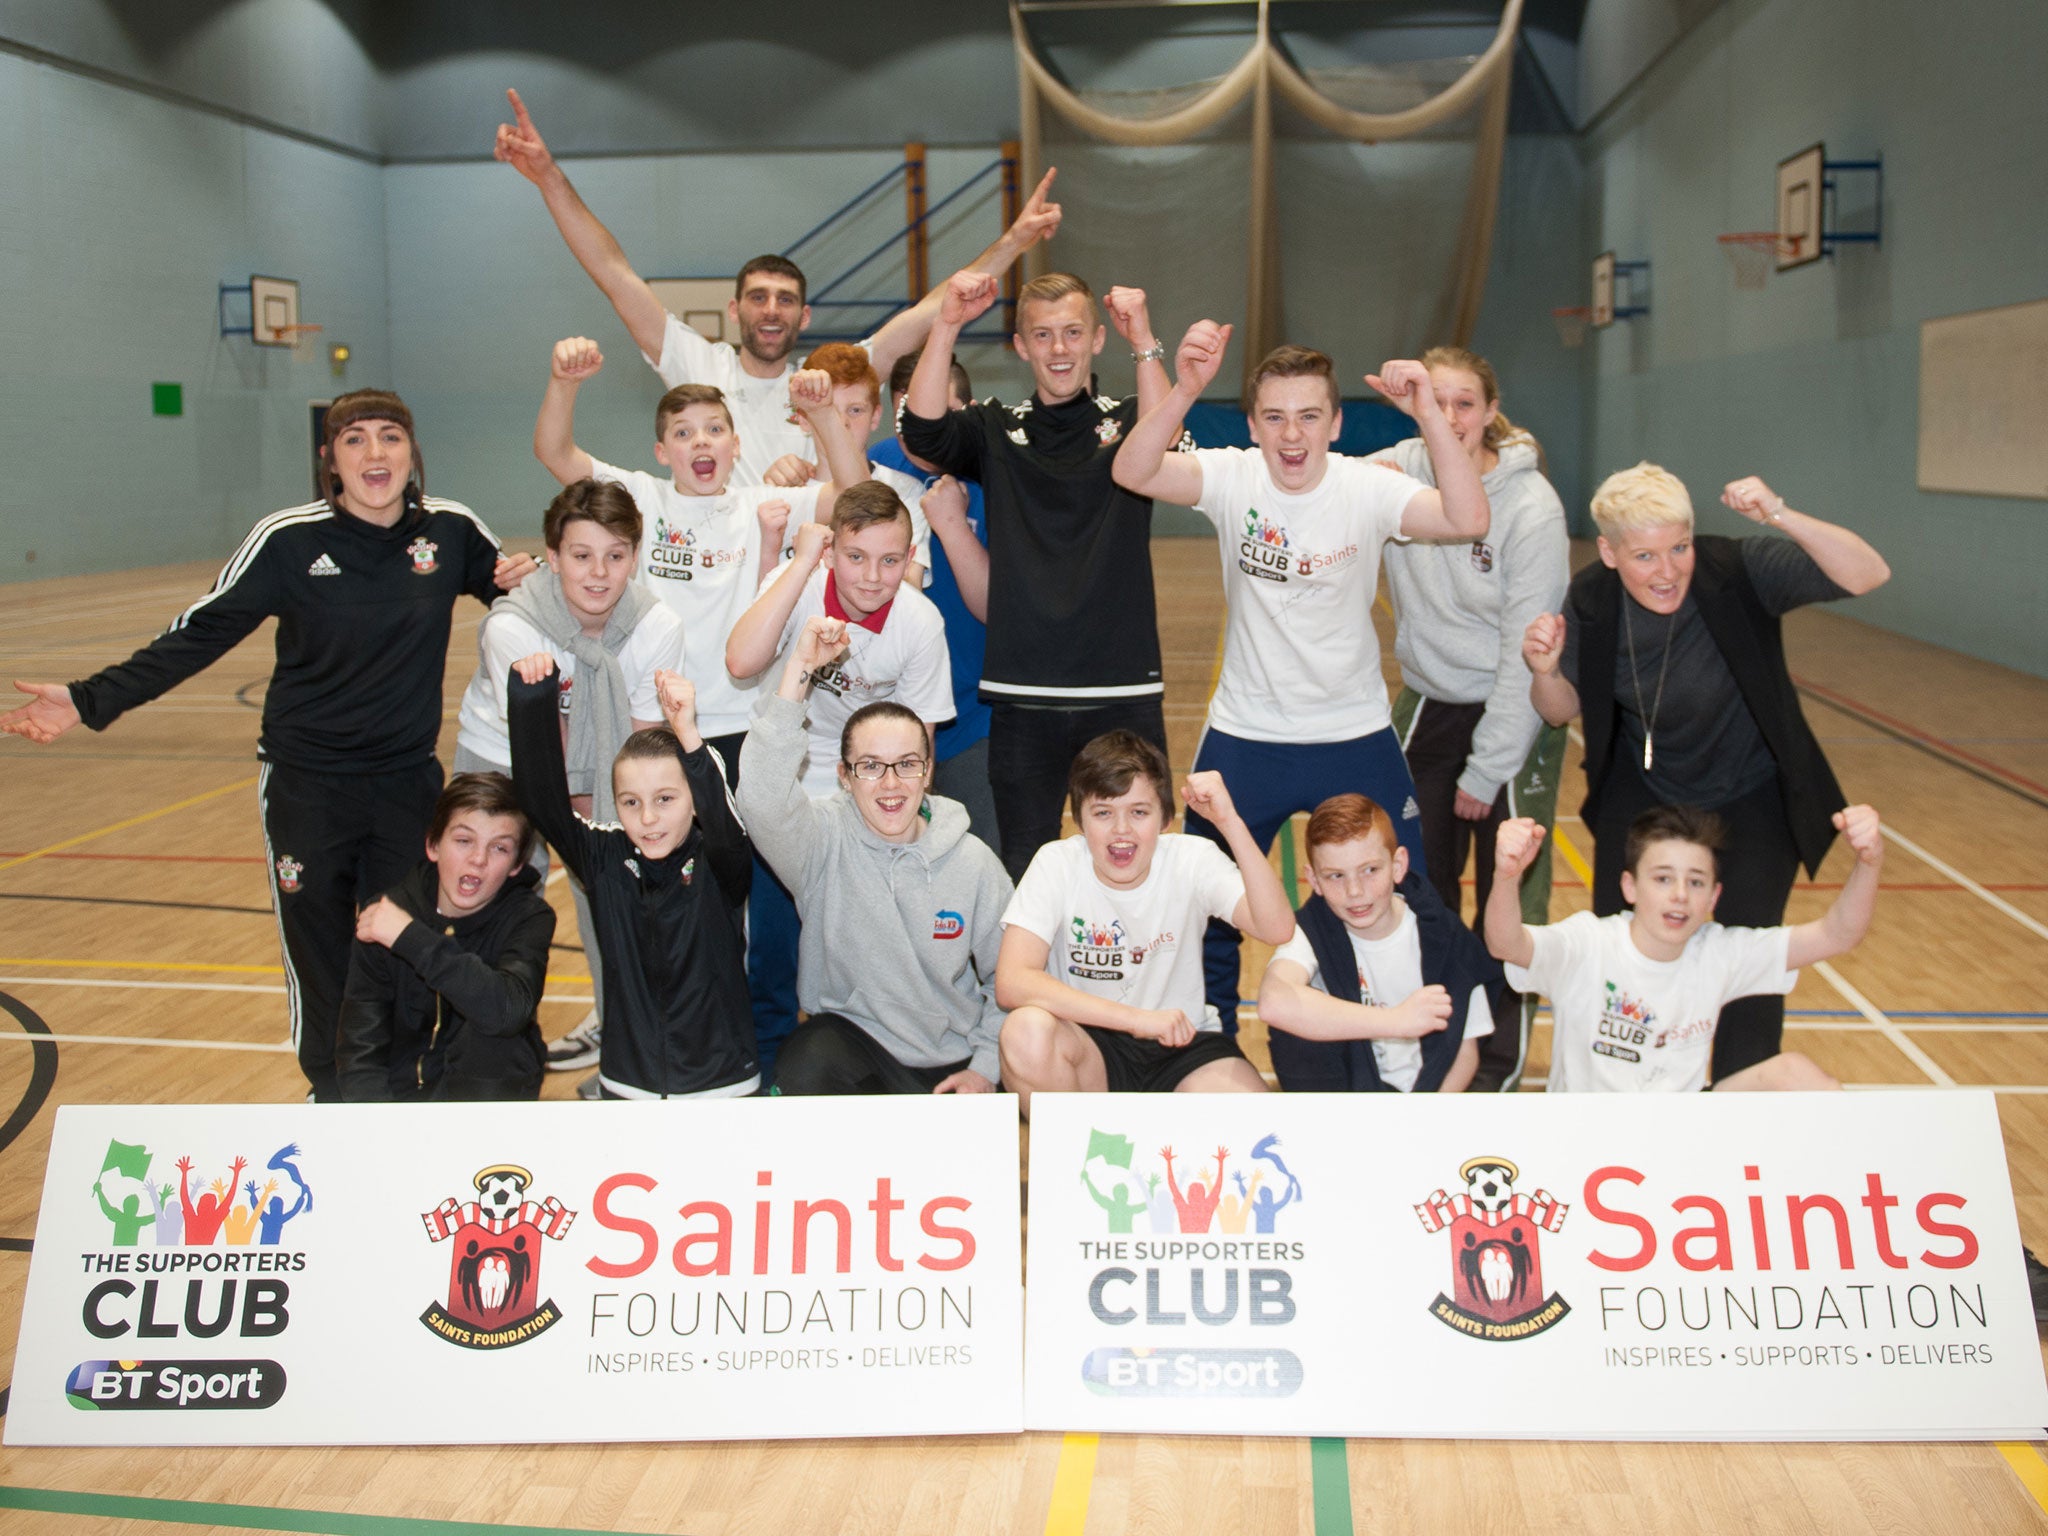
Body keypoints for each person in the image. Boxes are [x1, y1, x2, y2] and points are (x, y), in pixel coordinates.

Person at [1, 391, 533, 1102]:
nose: (375, 454)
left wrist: (526, 582)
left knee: (405, 938)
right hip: (306, 784)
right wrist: (87, 700)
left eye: (390, 437)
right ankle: (329, 1087)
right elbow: (199, 633)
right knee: (318, 949)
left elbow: (518, 601)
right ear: (329, 460)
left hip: (406, 782)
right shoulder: (287, 539)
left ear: (412, 453)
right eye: (355, 440)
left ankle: (398, 1089)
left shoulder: (451, 530)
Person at [1110, 325, 1489, 1034]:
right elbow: (1133, 471)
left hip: (1354, 736)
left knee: (1413, 889)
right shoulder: (1232, 476)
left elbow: (1469, 516)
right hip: (1245, 738)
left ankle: (1429, 1030)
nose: (1292, 434)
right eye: (1275, 417)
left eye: (1310, 415)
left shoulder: (1369, 489)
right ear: (1253, 425)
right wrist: (1187, 387)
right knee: (1205, 903)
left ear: (1336, 423)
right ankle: (1211, 1036)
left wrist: (1429, 412)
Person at [537, 344, 867, 1078]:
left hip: (744, 731)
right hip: (654, 736)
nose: (700, 444)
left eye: (714, 429)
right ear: (662, 449)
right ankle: (641, 1044)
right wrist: (565, 382)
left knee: (750, 902)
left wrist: (820, 418)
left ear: (737, 443)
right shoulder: (642, 501)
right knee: (651, 901)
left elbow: (856, 493)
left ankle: (750, 1047)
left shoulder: (756, 507)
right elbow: (555, 452)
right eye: (683, 432)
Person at [492, 87, 1062, 485]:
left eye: (786, 300)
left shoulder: (831, 378)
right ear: (734, 309)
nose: (772, 310)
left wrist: (1012, 241)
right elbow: (612, 272)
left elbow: (935, 309)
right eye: (759, 297)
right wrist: (549, 177)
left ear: (804, 317)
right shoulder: (699, 366)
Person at [1523, 464, 1891, 1078]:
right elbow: (1561, 712)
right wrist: (1544, 670)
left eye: (1679, 548)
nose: (1667, 571)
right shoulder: (1590, 599)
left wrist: (1779, 512)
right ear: (1609, 552)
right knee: (1626, 956)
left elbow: (1867, 572)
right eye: (1644, 555)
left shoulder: (1738, 571)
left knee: (1751, 963)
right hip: (1644, 797)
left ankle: (1741, 1114)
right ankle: (1622, 1095)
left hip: (1753, 794)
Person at [901, 270, 1177, 879]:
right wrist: (946, 322)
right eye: (1043, 335)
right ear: (1021, 346)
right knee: (1025, 869)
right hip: (1025, 695)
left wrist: (1145, 339)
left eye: (1073, 332)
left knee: (1138, 865)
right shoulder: (997, 428)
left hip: (1120, 688)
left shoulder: (1129, 418)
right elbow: (921, 430)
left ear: (1097, 339)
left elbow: (1166, 445)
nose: (1059, 349)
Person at [1378, 344, 1570, 1091]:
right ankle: (1426, 1046)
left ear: (1491, 412)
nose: (1450, 418)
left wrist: (1489, 767)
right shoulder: (1391, 475)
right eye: (1435, 400)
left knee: (1507, 895)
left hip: (1512, 713)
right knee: (1413, 886)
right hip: (1426, 707)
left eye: (1465, 404)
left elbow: (1527, 646)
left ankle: (1497, 1068)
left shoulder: (1531, 507)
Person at [451, 476, 685, 1077]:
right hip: (503, 765)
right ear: (552, 558)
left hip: (606, 767)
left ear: (636, 556)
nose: (599, 574)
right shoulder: (514, 629)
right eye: (581, 556)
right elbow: (544, 764)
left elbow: (636, 749)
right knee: (491, 901)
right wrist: (583, 830)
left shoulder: (656, 627)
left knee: (617, 900)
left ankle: (622, 1041)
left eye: (615, 556)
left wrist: (610, 840)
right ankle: (483, 1057)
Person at [726, 483, 954, 1072]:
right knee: (774, 940)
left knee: (863, 942)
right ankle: (769, 1069)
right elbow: (741, 663)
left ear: (909, 559)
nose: (872, 577)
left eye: (890, 560)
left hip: (865, 784)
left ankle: (870, 1057)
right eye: (855, 557)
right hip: (789, 773)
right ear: (831, 553)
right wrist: (798, 564)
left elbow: (916, 744)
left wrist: (901, 820)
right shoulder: (799, 584)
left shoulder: (919, 622)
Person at [736, 616, 1012, 1096]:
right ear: (844, 776)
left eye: (907, 765)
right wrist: (799, 666)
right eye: (870, 767)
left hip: (951, 1061)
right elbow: (760, 797)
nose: (890, 783)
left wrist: (985, 1069)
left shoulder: (972, 862)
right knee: (803, 1063)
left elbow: (1010, 980)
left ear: (928, 773)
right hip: (852, 1051)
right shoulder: (820, 844)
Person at [1485, 804, 1884, 1092]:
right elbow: (1506, 943)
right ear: (1629, 887)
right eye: (1662, 879)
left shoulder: (1718, 952)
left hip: (1681, 1135)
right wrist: (1506, 876)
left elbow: (1837, 934)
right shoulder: (1590, 943)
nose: (1679, 896)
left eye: (1695, 883)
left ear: (1714, 897)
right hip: (1589, 1138)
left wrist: (1869, 862)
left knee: (1794, 1074)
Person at [995, 732, 1294, 1110]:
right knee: (1025, 1032)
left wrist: (1229, 821)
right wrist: (1136, 1020)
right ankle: (1076, 1160)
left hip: (1182, 1046)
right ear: (1080, 821)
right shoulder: (1056, 863)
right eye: (1103, 812)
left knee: (1250, 1121)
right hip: (1089, 1049)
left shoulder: (1193, 859)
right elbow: (1012, 981)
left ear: (1166, 818)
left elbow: (1277, 928)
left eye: (1139, 812)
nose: (1122, 830)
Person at [508, 662, 757, 1099]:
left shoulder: (720, 861)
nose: (647, 818)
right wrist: (532, 698)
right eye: (630, 802)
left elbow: (726, 823)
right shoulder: (604, 856)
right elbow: (540, 801)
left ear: (694, 800)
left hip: (725, 1086)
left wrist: (689, 733)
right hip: (628, 1084)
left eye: (665, 799)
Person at [1256, 794, 1503, 1092]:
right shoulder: (1311, 931)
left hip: (1425, 1098)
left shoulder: (1443, 934)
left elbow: (1466, 1051)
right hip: (1347, 1099)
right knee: (1293, 1034)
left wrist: (1425, 1117)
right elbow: (1273, 1002)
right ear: (1314, 881)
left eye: (1370, 870)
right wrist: (1396, 1021)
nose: (1355, 891)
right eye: (1335, 876)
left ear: (1398, 865)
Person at [337, 773, 555, 1101]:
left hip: (482, 1103)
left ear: (515, 865)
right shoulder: (385, 913)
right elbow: (360, 1048)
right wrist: (377, 1128)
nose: (478, 859)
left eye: (499, 848)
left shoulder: (528, 917)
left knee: (496, 1029)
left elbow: (508, 1010)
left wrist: (410, 938)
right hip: (398, 1106)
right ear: (433, 845)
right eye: (464, 840)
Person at [872, 349, 996, 850]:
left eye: (934, 414)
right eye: (907, 413)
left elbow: (997, 604)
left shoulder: (997, 475)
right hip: (884, 715)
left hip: (975, 715)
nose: (918, 428)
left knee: (982, 866)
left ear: (965, 413)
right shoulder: (873, 465)